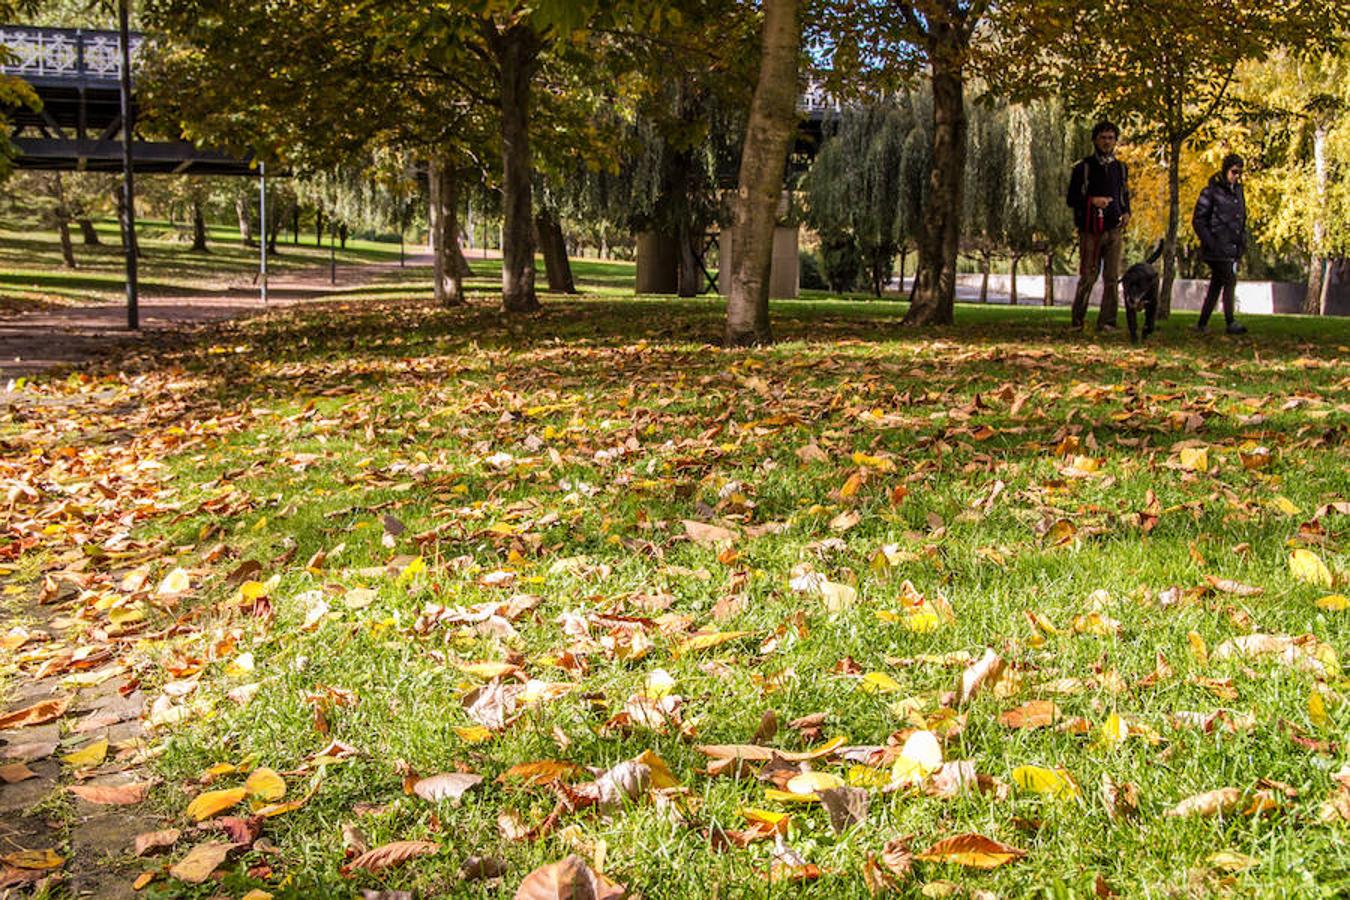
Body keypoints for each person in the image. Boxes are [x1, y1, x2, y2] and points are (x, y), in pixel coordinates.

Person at [1066, 122, 1131, 332]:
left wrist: (1126, 211)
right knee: (1088, 276)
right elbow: (1071, 198)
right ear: (1095, 140)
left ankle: (1107, 321)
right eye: (1103, 137)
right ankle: (1078, 320)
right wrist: (1092, 201)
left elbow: (1124, 194)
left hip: (1114, 228)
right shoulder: (1083, 168)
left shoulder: (1120, 168)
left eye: (1111, 138)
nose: (1107, 142)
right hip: (1090, 229)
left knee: (1112, 278)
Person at [1191, 154, 1248, 335]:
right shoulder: (1210, 191)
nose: (1237, 176)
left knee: (1217, 283)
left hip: (1230, 246)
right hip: (1216, 246)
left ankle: (1202, 323)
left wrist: (1240, 243)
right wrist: (1211, 242)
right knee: (1229, 280)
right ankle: (1230, 321)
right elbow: (1199, 221)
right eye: (1234, 172)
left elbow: (1240, 219)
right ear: (1225, 170)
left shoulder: (1238, 191)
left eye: (1240, 173)